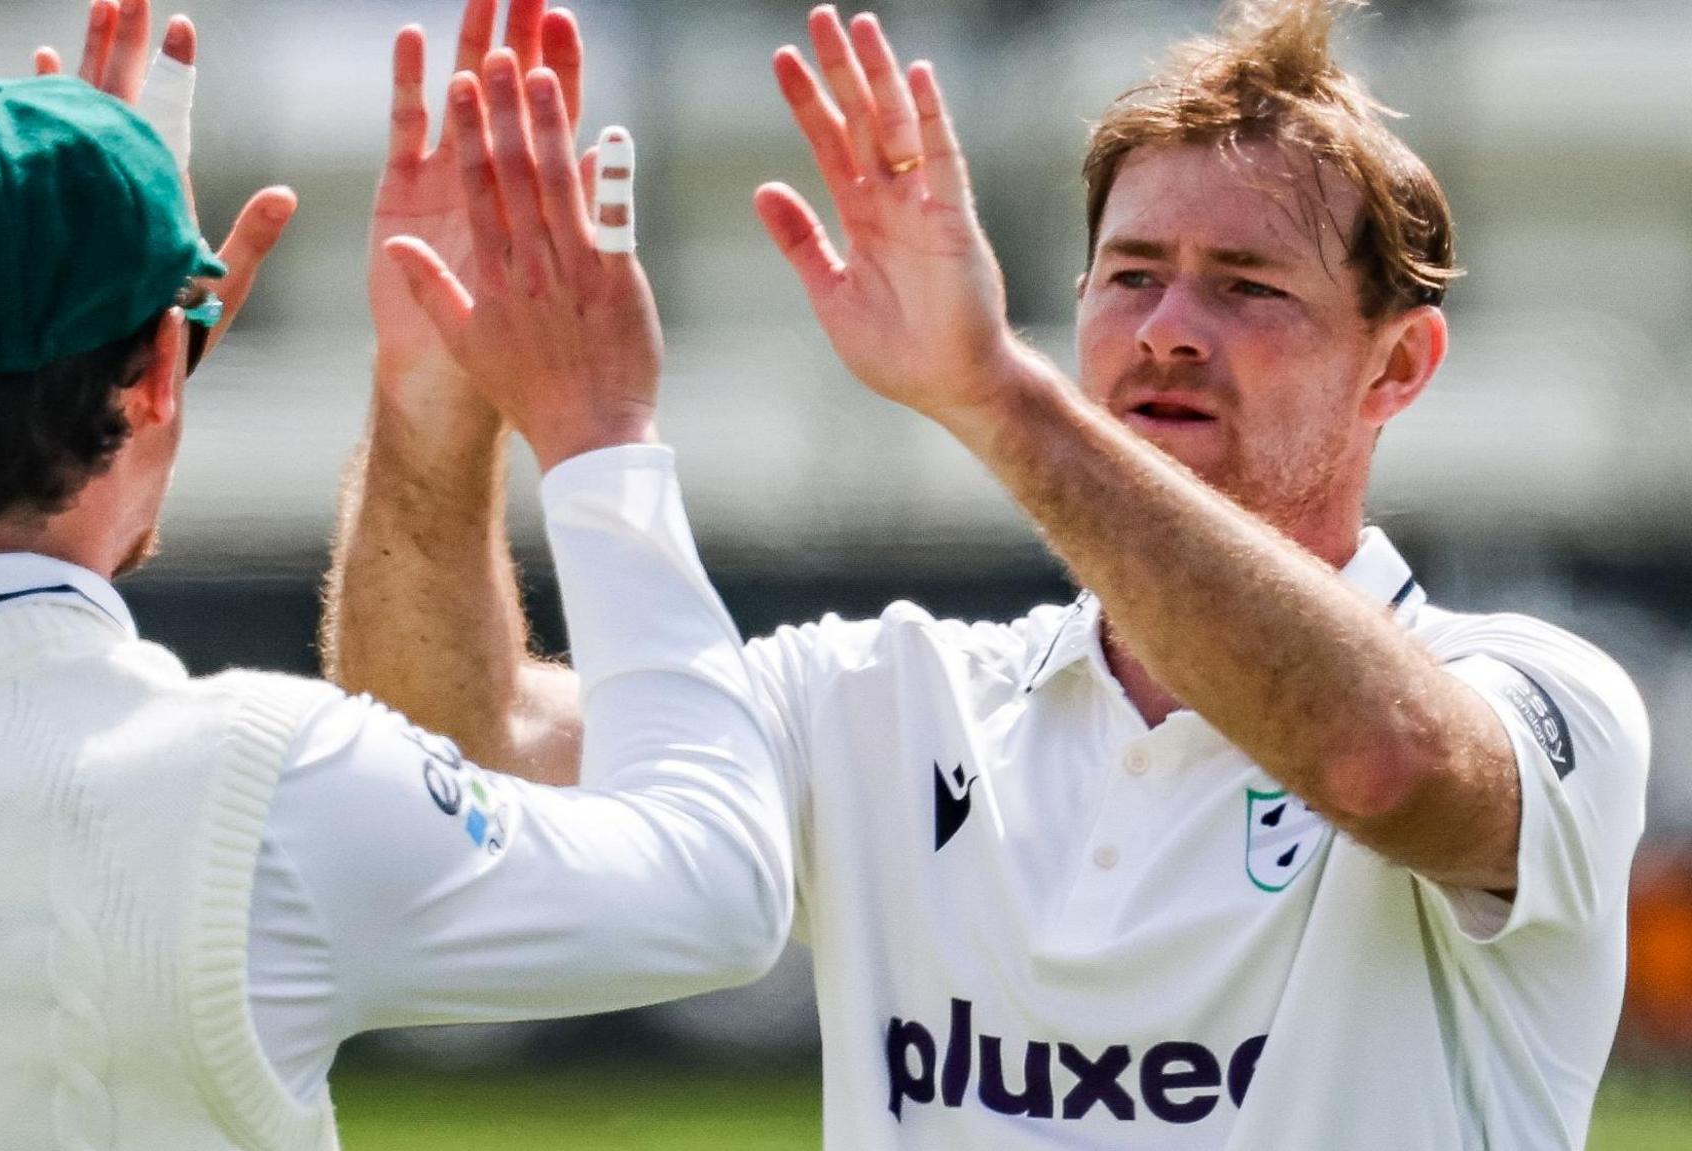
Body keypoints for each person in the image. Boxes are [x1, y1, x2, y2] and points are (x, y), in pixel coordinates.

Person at [335, 0, 1651, 1146]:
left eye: (1248, 287)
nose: (1170, 330)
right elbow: (457, 751)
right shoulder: (894, 696)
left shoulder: (1543, 694)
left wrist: (989, 394)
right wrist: (432, 405)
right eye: (1132, 275)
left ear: (1399, 365)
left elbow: (1387, 766)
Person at [0, 2, 791, 1147]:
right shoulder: (264, 776)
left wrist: (124, 373)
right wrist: (602, 435)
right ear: (153, 367)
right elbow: (716, 893)